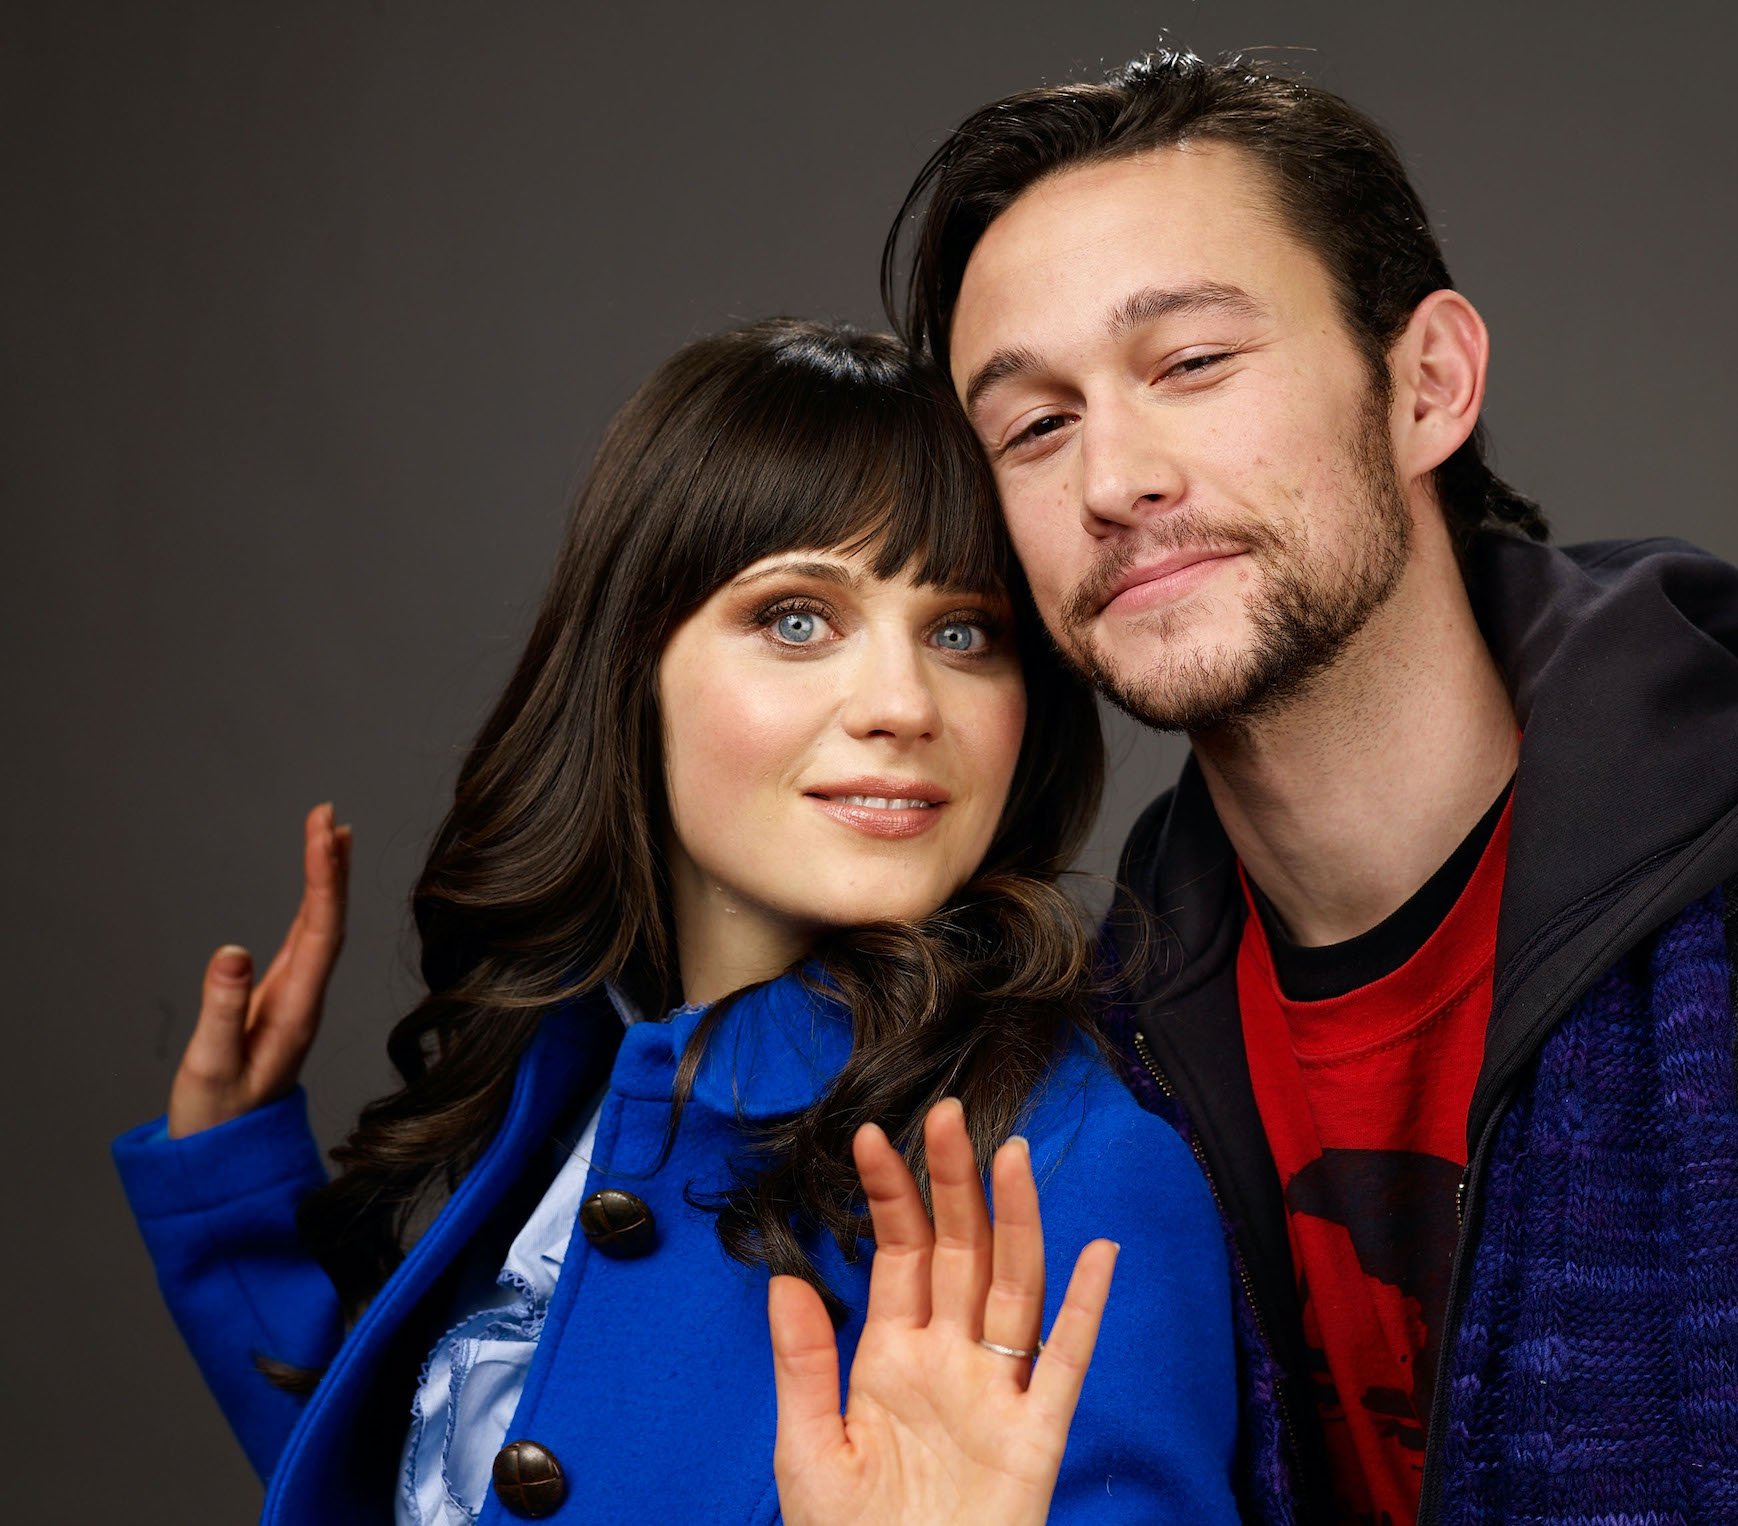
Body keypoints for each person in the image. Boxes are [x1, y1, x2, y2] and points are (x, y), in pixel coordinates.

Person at [882, 48, 1738, 1526]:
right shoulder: (1074, 1084)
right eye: (1034, 425)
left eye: (1193, 362)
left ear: (1429, 384)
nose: (1114, 477)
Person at [112, 320, 1243, 1524]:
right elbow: (436, 1483)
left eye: (962, 632)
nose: (905, 704)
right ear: (631, 665)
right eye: (798, 618)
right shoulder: (575, 1067)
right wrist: (231, 1178)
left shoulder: (1065, 1170)